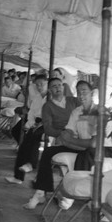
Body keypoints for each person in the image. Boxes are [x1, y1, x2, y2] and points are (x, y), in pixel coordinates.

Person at [23, 78, 80, 209]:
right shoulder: (47, 106)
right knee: (46, 155)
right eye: (54, 86)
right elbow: (48, 128)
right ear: (49, 90)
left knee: (48, 154)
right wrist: (63, 134)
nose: (58, 88)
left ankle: (47, 193)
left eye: (60, 85)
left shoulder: (74, 101)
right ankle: (40, 192)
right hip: (63, 138)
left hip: (81, 138)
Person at [5, 74, 48, 184]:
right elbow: (32, 112)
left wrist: (37, 124)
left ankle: (32, 163)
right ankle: (18, 177)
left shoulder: (50, 98)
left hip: (46, 123)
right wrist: (29, 124)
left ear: (47, 84)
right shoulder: (37, 98)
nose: (39, 87)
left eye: (42, 84)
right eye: (37, 85)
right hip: (35, 122)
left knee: (34, 136)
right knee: (23, 146)